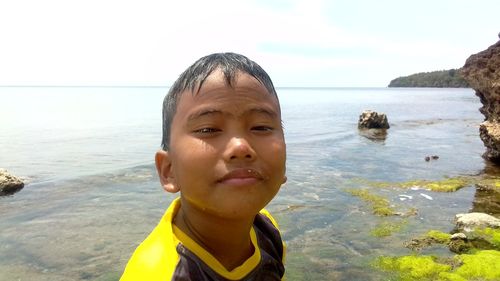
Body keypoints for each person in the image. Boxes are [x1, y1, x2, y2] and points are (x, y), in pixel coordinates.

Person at [120, 52, 287, 281]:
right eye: (208, 129)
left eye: (261, 127)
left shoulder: (267, 229)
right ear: (169, 170)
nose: (240, 146)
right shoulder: (157, 274)